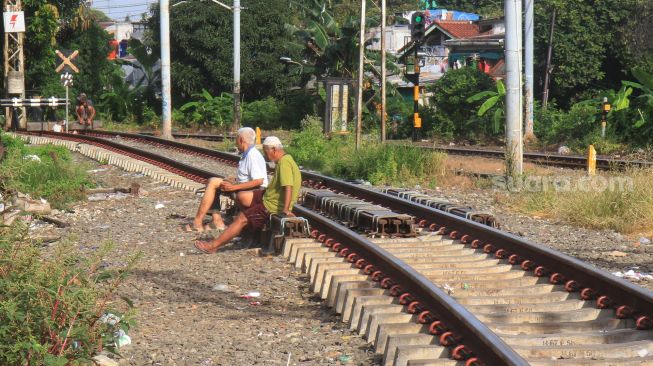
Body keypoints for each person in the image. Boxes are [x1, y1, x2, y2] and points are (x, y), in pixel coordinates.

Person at [194, 136, 302, 254]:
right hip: (268, 196)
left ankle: (213, 246)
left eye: (266, 152)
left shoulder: (284, 163)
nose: (266, 156)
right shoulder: (286, 159)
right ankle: (250, 230)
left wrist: (286, 209)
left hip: (273, 205)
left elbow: (288, 187)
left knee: (241, 219)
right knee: (241, 196)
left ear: (274, 149)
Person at [183, 127, 268, 232]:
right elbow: (249, 176)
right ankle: (217, 220)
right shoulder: (247, 154)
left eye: (236, 138)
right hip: (246, 187)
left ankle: (197, 223)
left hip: (254, 192)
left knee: (214, 182)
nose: (235, 142)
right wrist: (235, 179)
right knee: (212, 180)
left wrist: (234, 186)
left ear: (241, 140)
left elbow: (259, 181)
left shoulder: (253, 155)